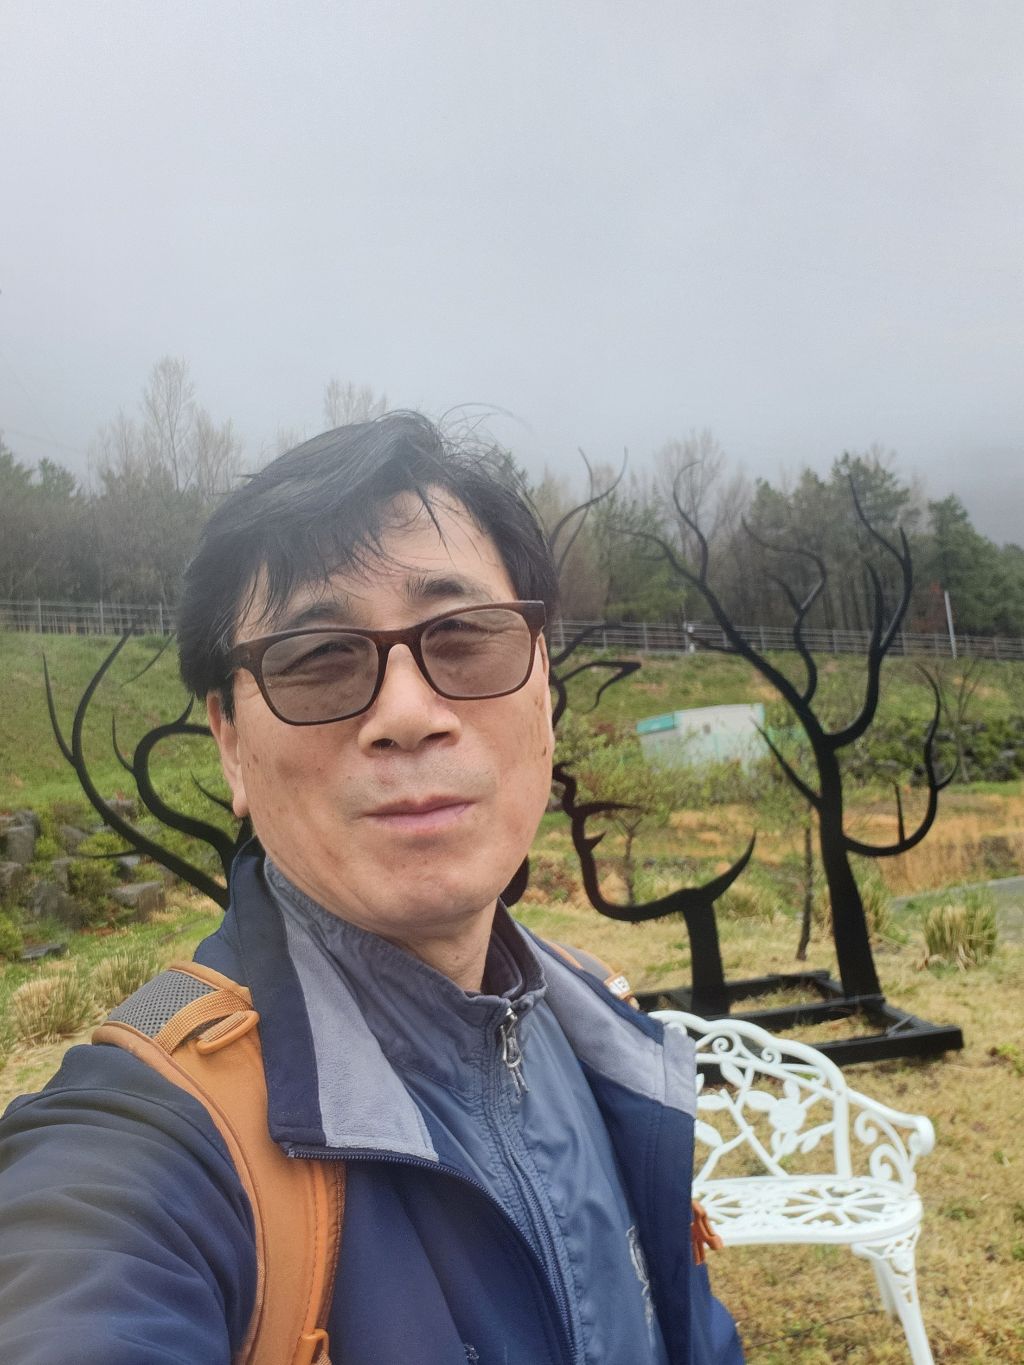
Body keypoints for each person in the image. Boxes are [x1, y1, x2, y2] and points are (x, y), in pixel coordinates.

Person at [0, 412, 742, 1364]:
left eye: (464, 636)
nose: (408, 712)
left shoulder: (598, 1030)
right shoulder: (144, 1152)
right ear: (230, 742)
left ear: (545, 692)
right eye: (318, 657)